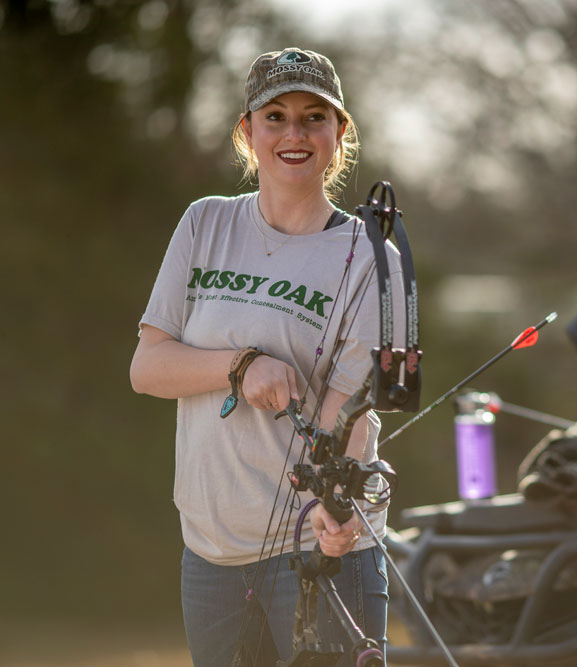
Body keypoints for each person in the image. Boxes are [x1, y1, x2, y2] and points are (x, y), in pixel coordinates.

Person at [130, 47, 403, 667]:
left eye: (314, 117)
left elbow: (352, 409)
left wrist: (337, 508)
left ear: (340, 134)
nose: (295, 134)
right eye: (275, 116)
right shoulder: (205, 224)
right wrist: (242, 365)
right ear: (247, 132)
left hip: (318, 546)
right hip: (211, 553)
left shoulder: (371, 258)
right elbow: (148, 368)